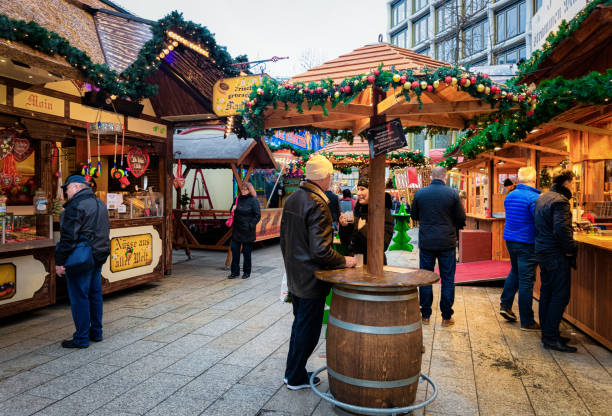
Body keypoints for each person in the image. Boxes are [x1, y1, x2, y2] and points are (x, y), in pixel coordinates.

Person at [280, 155, 357, 390]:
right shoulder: (317, 203)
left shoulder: (294, 198)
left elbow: (286, 240)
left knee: (299, 326)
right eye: (330, 175)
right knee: (308, 330)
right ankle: (295, 377)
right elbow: (321, 251)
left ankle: (293, 372)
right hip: (311, 279)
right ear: (325, 176)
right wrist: (345, 260)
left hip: (296, 275)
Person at [55, 175, 110, 349]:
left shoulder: (75, 206)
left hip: (81, 258)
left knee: (79, 297)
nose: (66, 192)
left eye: (68, 188)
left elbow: (68, 238)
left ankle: (81, 338)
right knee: (94, 294)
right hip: (98, 255)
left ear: (77, 187)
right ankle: (96, 333)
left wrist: (60, 261)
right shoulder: (99, 203)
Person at [411, 166, 465, 326]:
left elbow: (414, 215)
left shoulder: (420, 193)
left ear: (431, 177)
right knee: (448, 279)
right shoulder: (453, 194)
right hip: (447, 242)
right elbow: (461, 218)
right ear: (445, 177)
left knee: (426, 278)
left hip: (427, 241)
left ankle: (425, 315)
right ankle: (446, 316)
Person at [535, 170, 577, 353]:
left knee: (547, 292)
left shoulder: (543, 197)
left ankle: (547, 333)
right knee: (560, 295)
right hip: (555, 253)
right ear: (567, 182)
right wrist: (570, 249)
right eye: (574, 183)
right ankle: (551, 338)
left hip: (543, 251)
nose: (574, 187)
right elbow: (561, 228)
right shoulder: (560, 201)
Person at [499, 167, 541, 331]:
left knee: (515, 271)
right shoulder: (534, 198)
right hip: (527, 243)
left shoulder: (510, 196)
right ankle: (527, 321)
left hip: (510, 240)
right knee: (526, 280)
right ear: (534, 179)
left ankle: (506, 304)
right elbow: (538, 221)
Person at [339, 170, 394, 264]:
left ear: (373, 190)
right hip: (354, 263)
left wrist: (363, 229)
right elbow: (345, 241)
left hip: (373, 265)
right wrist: (344, 227)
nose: (358, 193)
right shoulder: (358, 211)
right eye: (358, 189)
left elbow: (383, 246)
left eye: (362, 189)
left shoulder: (384, 213)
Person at [229, 181, 261, 279]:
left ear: (249, 190)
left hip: (247, 231)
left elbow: (257, 215)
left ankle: (247, 272)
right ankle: (235, 272)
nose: (243, 190)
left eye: (245, 189)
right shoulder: (237, 199)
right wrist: (232, 209)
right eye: (242, 189)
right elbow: (231, 210)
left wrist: (250, 225)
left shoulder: (253, 200)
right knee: (234, 250)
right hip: (237, 229)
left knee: (246, 252)